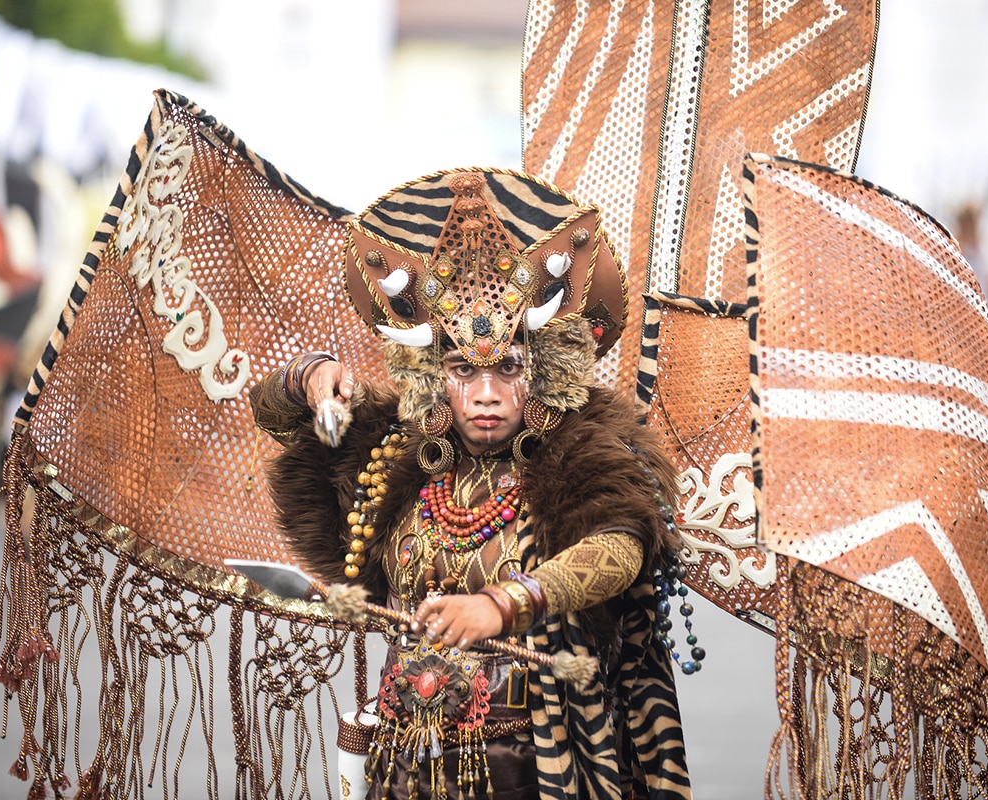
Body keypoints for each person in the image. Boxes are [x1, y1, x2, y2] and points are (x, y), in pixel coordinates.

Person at [250, 168, 691, 799]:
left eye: (508, 368)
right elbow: (276, 418)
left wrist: (502, 605)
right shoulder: (396, 453)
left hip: (535, 759)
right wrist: (310, 377)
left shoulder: (581, 452)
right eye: (462, 369)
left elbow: (620, 547)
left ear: (539, 373)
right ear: (434, 374)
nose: (485, 395)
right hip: (408, 758)